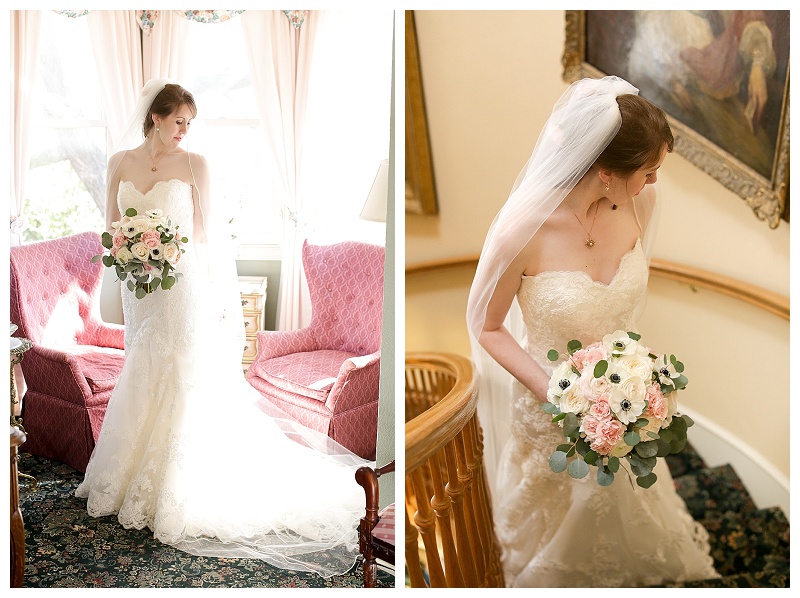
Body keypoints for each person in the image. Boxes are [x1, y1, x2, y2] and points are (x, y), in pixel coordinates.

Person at [75, 79, 369, 579]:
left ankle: (177, 483)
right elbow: (110, 225)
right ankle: (128, 478)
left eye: (190, 123)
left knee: (180, 371)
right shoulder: (119, 162)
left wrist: (176, 261)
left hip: (179, 283)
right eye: (178, 122)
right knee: (143, 366)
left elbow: (207, 236)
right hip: (138, 287)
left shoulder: (196, 165)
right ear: (156, 119)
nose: (185, 131)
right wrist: (129, 253)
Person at [466, 76, 719, 587]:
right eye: (646, 173)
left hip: (625, 401)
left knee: (629, 502)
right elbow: (486, 326)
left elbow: (624, 309)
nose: (652, 184)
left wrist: (634, 382)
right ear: (605, 172)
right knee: (560, 518)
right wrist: (561, 397)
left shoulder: (641, 204)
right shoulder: (524, 230)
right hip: (548, 406)